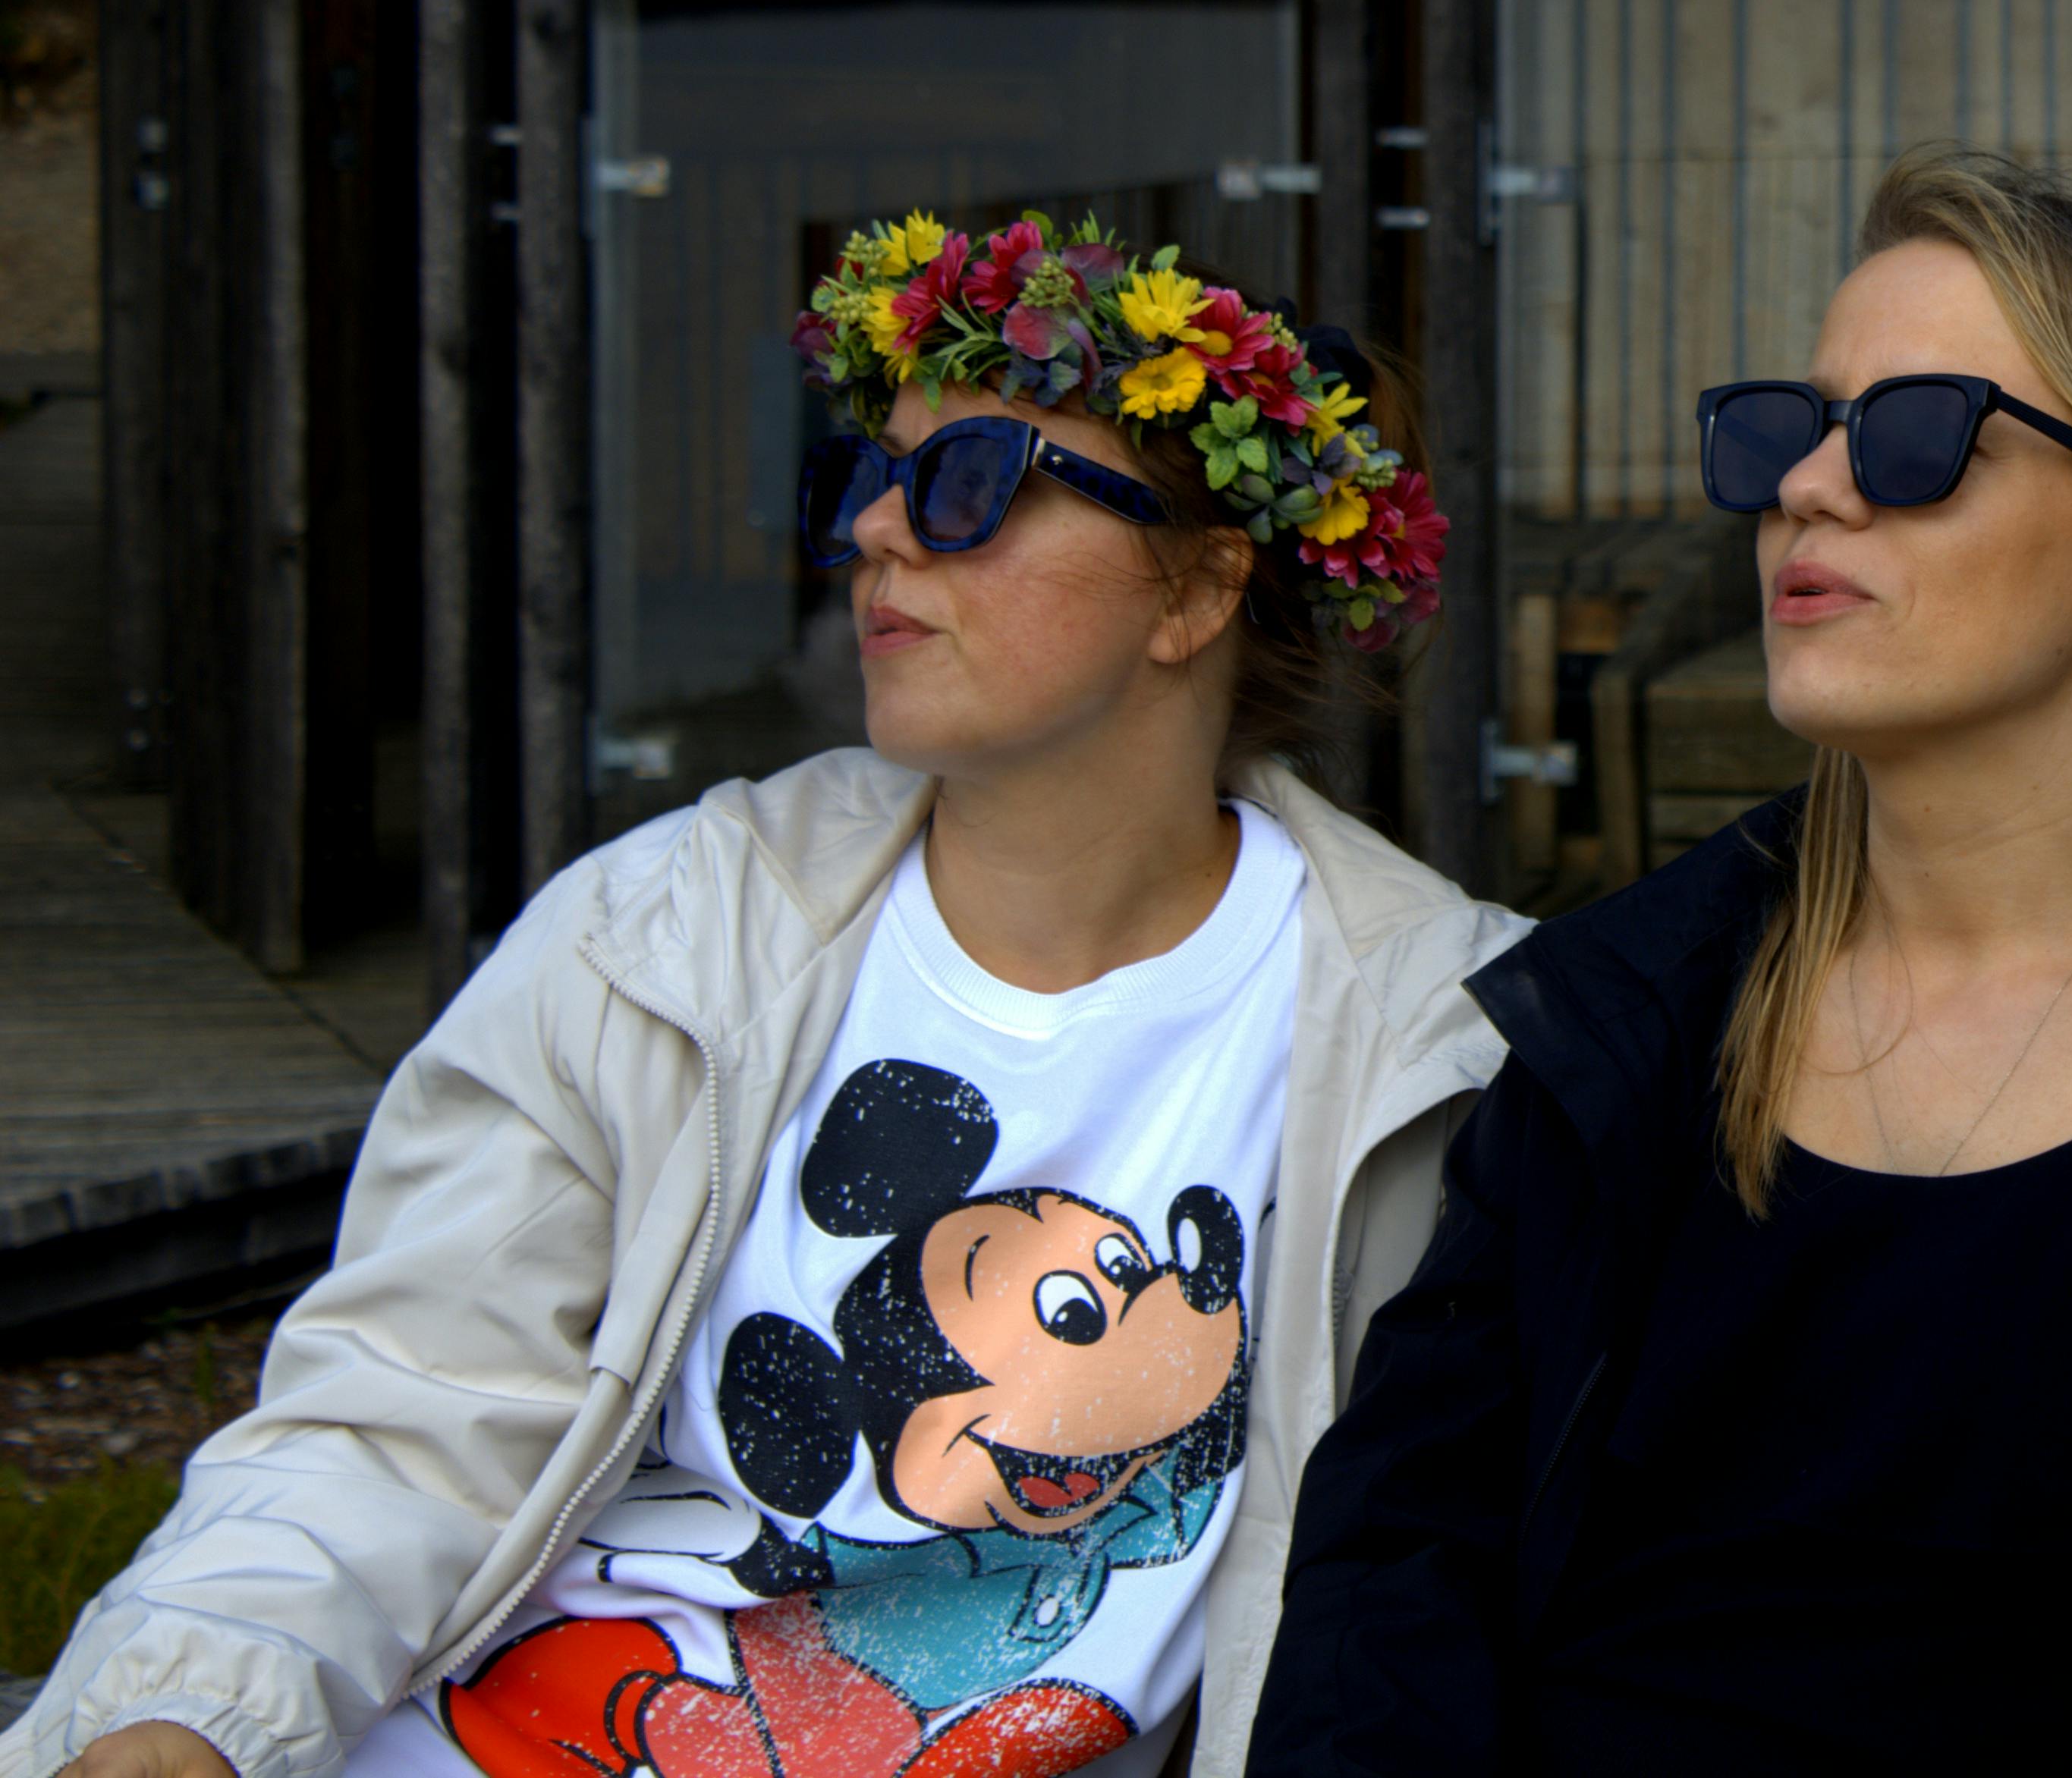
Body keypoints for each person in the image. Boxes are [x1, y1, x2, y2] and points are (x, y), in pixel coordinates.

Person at [8, 213, 1520, 1778]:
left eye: (970, 485)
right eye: (864, 478)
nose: (877, 528)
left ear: (1198, 590)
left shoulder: (1444, 1043)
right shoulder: (660, 937)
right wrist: (188, 1712)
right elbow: (400, 1417)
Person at [1252, 150, 2072, 1773]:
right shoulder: (1624, 1029)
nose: (1813, 484)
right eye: (1793, 427)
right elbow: (1394, 1573)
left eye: (1918, 434)